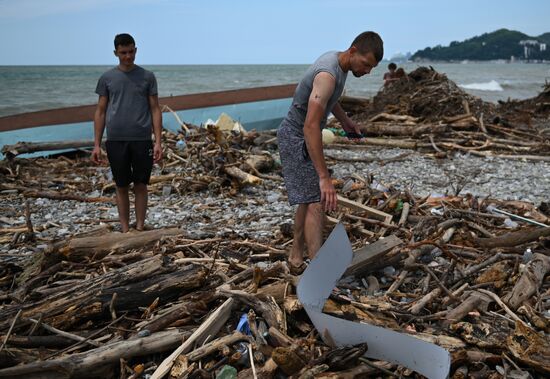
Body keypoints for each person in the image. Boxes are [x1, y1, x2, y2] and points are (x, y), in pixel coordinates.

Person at [277, 31, 383, 270]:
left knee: (307, 201)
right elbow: (311, 125)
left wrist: (345, 121)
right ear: (353, 51)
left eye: (372, 68)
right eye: (366, 65)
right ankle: (318, 268)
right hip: (296, 137)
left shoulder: (338, 64)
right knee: (317, 200)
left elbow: (329, 99)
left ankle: (295, 257)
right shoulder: (327, 74)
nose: (367, 72)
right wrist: (324, 177)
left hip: (300, 135)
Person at [92, 33, 162, 233]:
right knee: (121, 185)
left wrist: (158, 142)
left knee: (141, 184)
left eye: (131, 52)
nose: (128, 56)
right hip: (116, 140)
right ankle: (124, 230)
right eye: (123, 53)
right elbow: (101, 111)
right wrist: (97, 144)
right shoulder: (107, 78)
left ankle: (139, 228)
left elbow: (155, 109)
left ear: (136, 50)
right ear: (116, 53)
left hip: (141, 139)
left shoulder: (147, 77)